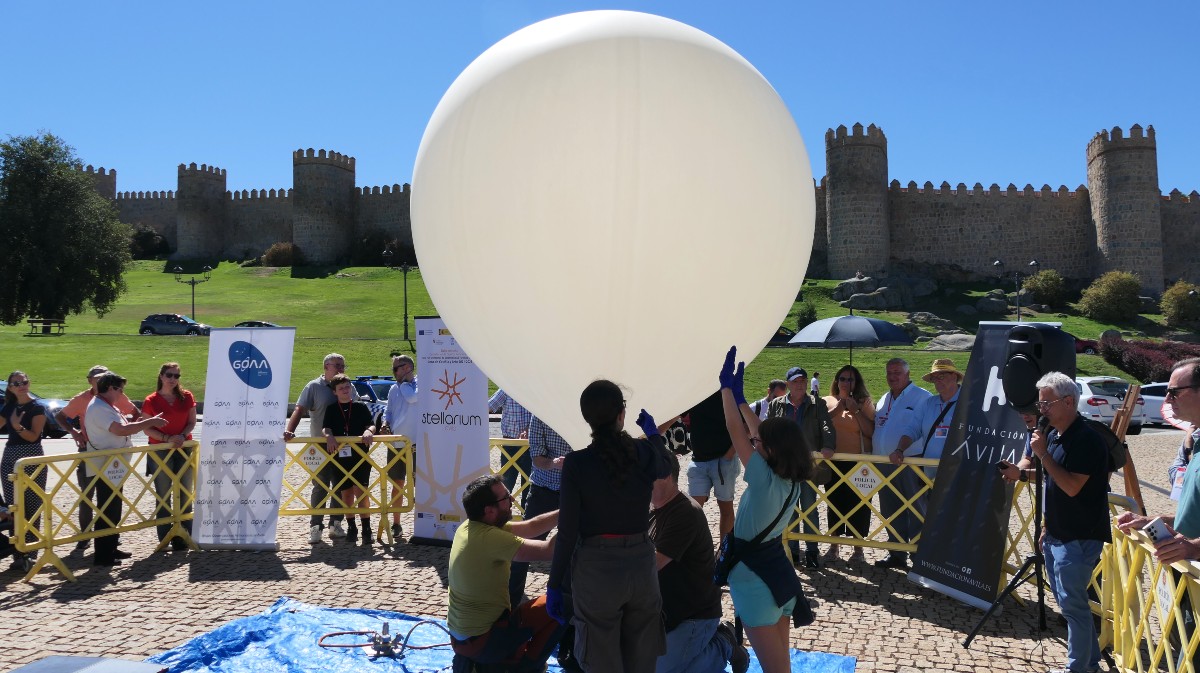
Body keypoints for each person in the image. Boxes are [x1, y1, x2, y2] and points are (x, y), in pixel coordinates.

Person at [546, 380, 671, 672]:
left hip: (597, 569)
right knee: (642, 661)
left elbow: (567, 532)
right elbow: (665, 466)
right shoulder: (642, 452)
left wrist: (554, 584)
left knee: (601, 662)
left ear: (587, 418)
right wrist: (653, 435)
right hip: (641, 564)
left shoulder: (577, 463)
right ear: (622, 414)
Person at [719, 347, 811, 673]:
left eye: (758, 444)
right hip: (778, 577)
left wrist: (727, 391)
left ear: (770, 451)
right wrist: (743, 399)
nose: (753, 443)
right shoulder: (791, 480)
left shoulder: (763, 478)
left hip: (755, 584)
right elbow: (761, 433)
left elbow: (734, 428)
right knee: (781, 665)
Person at [1030, 371, 1111, 673]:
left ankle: (1077, 669)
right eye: (1040, 405)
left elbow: (1072, 486)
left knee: (1074, 607)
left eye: (1046, 404)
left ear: (1067, 402)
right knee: (1072, 606)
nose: (1041, 411)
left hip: (1079, 536)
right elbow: (1054, 486)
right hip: (1058, 534)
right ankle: (1089, 665)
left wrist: (1042, 456)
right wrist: (1046, 526)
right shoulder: (1055, 435)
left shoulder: (1088, 438)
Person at [448, 475, 563, 672]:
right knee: (561, 604)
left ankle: (504, 659)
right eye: (506, 498)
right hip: (483, 641)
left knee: (540, 609)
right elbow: (550, 551)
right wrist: (577, 511)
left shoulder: (471, 526)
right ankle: (527, 667)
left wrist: (566, 509)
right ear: (489, 510)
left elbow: (531, 527)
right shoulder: (489, 538)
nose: (512, 501)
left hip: (464, 639)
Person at [650, 450, 748, 673]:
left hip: (694, 615)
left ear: (665, 475)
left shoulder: (685, 512)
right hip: (664, 612)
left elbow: (650, 564)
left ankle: (723, 644)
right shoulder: (651, 508)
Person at [84, 372, 168, 567]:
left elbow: (121, 427)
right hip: (105, 464)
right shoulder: (99, 407)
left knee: (113, 508)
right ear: (111, 388)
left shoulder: (105, 405)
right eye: (120, 389)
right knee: (107, 508)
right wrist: (149, 422)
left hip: (113, 464)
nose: (122, 393)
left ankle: (111, 546)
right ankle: (103, 554)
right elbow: (120, 430)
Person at [56, 365, 139, 549]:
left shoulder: (116, 395)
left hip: (112, 454)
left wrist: (128, 430)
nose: (101, 379)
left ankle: (109, 540)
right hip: (89, 450)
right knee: (87, 495)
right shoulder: (83, 399)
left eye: (104, 376)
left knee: (110, 497)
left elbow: (135, 413)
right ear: (90, 380)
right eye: (97, 377)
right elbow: (60, 416)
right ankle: (85, 535)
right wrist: (74, 432)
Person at [766, 366, 834, 568]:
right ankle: (792, 551)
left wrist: (828, 445)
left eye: (803, 381)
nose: (800, 385)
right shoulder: (776, 405)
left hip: (808, 465)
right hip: (784, 466)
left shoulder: (817, 403)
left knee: (810, 508)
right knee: (789, 510)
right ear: (787, 384)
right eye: (795, 381)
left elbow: (826, 426)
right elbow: (768, 429)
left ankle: (812, 551)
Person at [871, 358, 931, 569]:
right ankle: (896, 553)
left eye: (897, 372)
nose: (892, 376)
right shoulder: (884, 398)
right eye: (889, 372)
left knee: (915, 510)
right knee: (890, 509)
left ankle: (917, 556)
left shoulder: (923, 397)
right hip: (883, 463)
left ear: (907, 373)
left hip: (910, 463)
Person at [508, 415, 573, 609]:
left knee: (574, 548)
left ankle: (568, 604)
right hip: (543, 489)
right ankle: (509, 603)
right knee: (523, 546)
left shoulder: (578, 415)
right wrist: (554, 463)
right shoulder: (539, 418)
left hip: (573, 490)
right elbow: (536, 459)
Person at [285, 353, 347, 543]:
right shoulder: (313, 387)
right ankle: (315, 526)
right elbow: (299, 409)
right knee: (320, 486)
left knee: (340, 485)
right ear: (326, 366)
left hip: (344, 444)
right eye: (337, 365)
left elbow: (356, 406)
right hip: (319, 445)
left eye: (343, 365)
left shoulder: (346, 384)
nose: (341, 369)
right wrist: (289, 431)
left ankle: (336, 523)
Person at [820, 364, 875, 564]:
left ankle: (858, 550)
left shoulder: (865, 402)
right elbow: (821, 423)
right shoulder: (826, 401)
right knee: (834, 504)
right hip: (834, 463)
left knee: (860, 505)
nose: (845, 382)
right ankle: (834, 546)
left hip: (859, 463)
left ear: (856, 382)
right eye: (842, 378)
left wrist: (857, 411)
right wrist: (839, 407)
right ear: (836, 381)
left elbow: (871, 432)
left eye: (850, 379)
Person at [142, 362, 197, 551]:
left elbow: (191, 422)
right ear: (161, 376)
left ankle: (185, 537)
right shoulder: (151, 400)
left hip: (183, 447)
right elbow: (146, 427)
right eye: (169, 375)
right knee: (163, 494)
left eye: (176, 376)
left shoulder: (187, 396)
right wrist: (166, 438)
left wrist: (181, 436)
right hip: (160, 449)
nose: (173, 379)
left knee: (185, 492)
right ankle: (165, 537)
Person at [0, 371, 49, 569]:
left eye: (24, 382)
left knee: (32, 504)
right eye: (16, 383)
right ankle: (18, 552)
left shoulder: (37, 406)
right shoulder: (9, 405)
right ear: (10, 387)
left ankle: (31, 550)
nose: (21, 385)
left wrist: (17, 426)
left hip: (31, 454)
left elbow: (33, 436)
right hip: (10, 456)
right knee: (14, 506)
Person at [321, 373, 376, 545]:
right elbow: (326, 428)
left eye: (347, 387)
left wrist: (369, 431)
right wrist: (328, 436)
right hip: (340, 456)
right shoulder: (331, 409)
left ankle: (366, 528)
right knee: (346, 493)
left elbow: (372, 424)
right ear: (335, 392)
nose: (345, 391)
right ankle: (352, 526)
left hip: (360, 456)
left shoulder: (360, 406)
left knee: (362, 491)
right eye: (341, 388)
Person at [680, 391, 739, 539]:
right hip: (698, 460)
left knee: (725, 508)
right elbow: (678, 413)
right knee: (693, 509)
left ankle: (724, 552)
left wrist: (729, 455)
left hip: (723, 460)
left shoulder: (728, 393)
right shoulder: (695, 391)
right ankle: (695, 550)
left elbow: (744, 427)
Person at [384, 354, 417, 540]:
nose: (393, 372)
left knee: (422, 485)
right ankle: (396, 523)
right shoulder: (392, 389)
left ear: (407, 368)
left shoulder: (420, 385)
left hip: (418, 443)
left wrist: (405, 384)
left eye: (396, 369)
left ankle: (421, 524)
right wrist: (385, 422)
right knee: (397, 484)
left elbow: (412, 399)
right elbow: (389, 411)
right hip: (396, 443)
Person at [488, 389, 533, 508]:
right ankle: (502, 515)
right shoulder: (507, 388)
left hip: (530, 445)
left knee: (529, 484)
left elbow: (542, 415)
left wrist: (530, 430)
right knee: (505, 484)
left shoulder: (535, 389)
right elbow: (489, 406)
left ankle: (525, 516)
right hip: (509, 445)